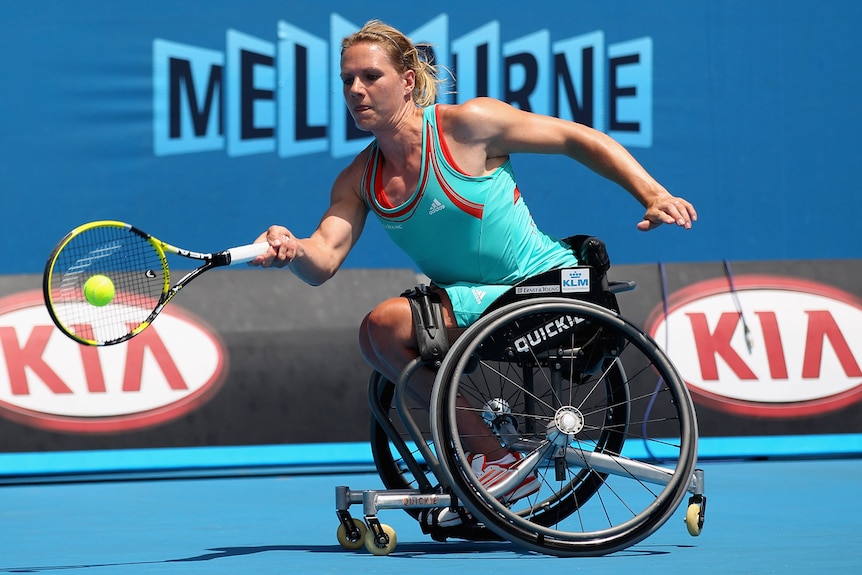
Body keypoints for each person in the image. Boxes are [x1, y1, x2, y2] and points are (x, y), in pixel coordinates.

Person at [250, 19, 696, 524]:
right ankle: (487, 458)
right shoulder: (359, 179)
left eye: (371, 77)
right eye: (347, 80)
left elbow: (578, 139)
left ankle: (493, 461)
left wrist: (653, 194)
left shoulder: (468, 125)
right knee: (375, 337)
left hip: (547, 287)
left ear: (409, 81)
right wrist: (292, 249)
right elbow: (323, 259)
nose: (356, 90)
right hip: (476, 304)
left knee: (385, 324)